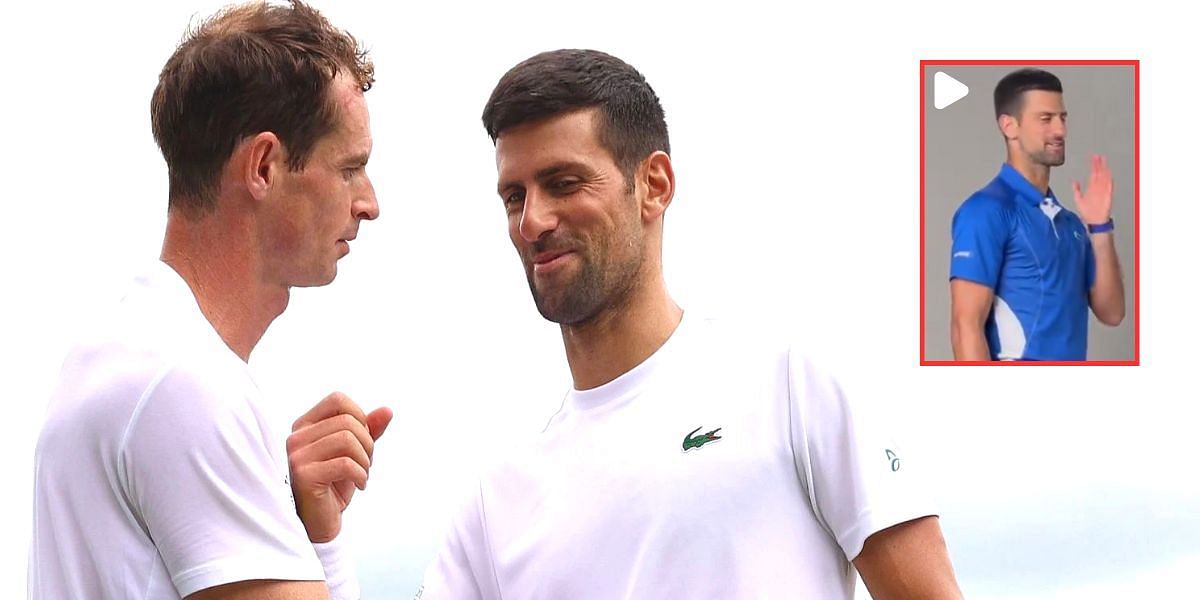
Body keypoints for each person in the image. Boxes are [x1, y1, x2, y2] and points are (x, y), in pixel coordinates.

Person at [417, 49, 962, 599]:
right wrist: (331, 541)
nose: (532, 220)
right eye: (515, 196)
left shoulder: (789, 387)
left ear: (654, 185)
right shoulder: (495, 507)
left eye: (564, 183)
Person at [29, 2, 390, 598]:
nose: (369, 202)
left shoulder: (119, 356)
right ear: (265, 166)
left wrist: (307, 525)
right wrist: (323, 547)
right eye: (350, 168)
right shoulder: (187, 381)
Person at [949, 68, 1125, 361]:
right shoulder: (984, 212)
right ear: (1009, 126)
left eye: (1062, 118)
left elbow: (1112, 312)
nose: (1060, 130)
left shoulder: (1069, 223)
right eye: (1046, 119)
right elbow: (964, 326)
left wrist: (1099, 227)